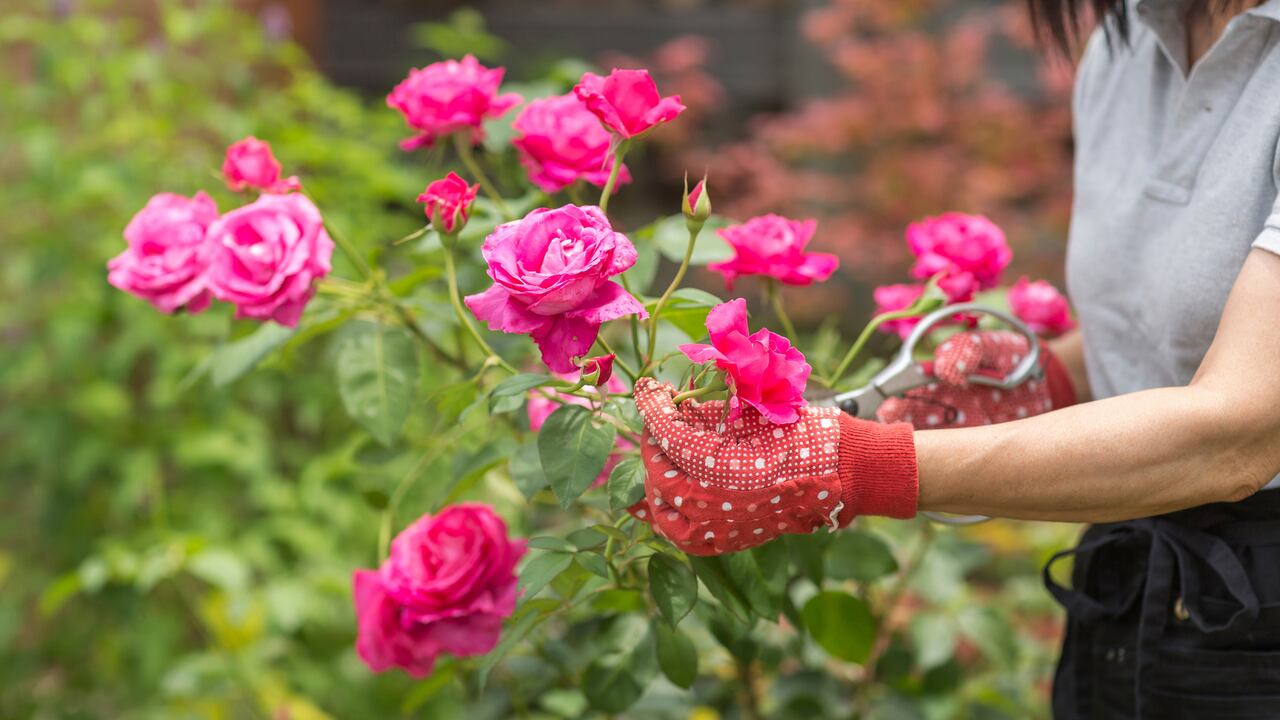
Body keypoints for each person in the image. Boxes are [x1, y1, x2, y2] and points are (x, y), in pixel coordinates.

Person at [628, 1, 1280, 717]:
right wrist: (1041, 377)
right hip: (1131, 584)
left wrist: (849, 465)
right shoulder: (1129, 42)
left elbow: (1239, 433)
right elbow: (1167, 337)